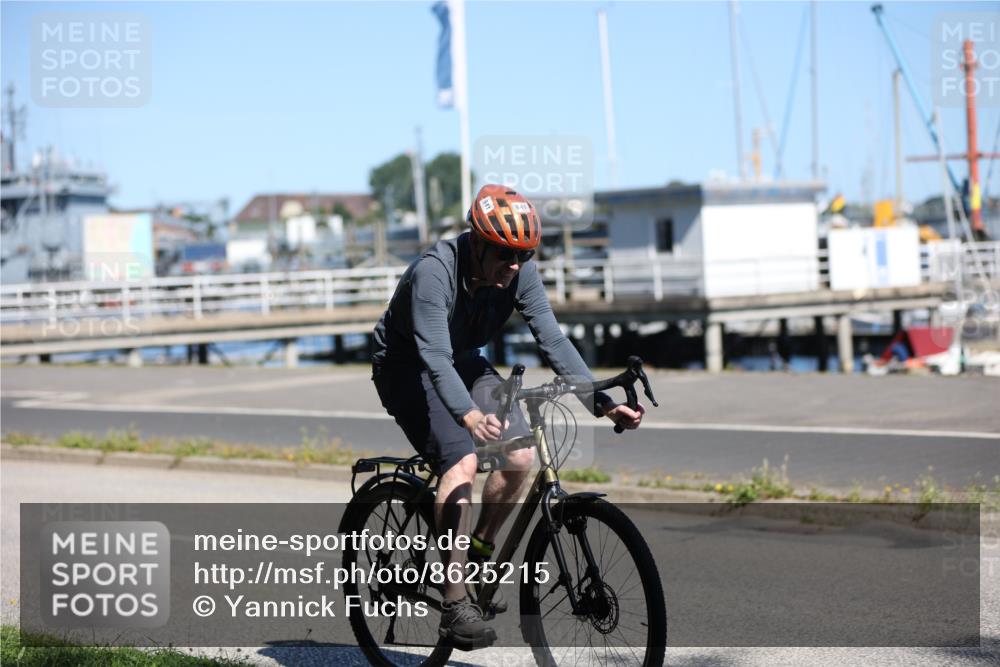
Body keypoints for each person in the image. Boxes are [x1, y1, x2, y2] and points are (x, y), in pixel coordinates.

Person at [371, 184, 644, 649]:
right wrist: (469, 416)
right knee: (462, 461)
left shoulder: (519, 274)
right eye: (504, 253)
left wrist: (599, 402)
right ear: (477, 242)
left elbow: (552, 340)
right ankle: (455, 601)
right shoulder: (435, 273)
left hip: (464, 361)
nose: (515, 264)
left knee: (519, 456)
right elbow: (434, 359)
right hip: (406, 369)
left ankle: (477, 552)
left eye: (525, 254)